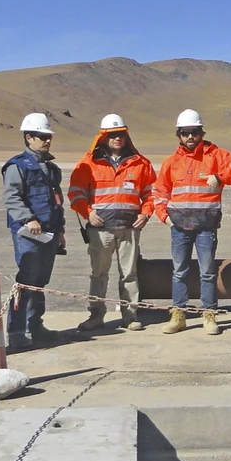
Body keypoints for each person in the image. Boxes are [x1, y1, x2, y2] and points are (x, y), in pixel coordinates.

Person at [153, 109, 231, 336]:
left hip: (206, 227)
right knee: (179, 271)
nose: (190, 137)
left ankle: (209, 314)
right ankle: (178, 315)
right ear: (179, 135)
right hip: (179, 228)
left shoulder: (216, 156)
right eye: (185, 133)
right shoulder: (171, 163)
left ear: (201, 133)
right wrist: (164, 216)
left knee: (207, 271)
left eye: (194, 132)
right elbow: (159, 191)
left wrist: (221, 176)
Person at [68, 114, 156, 332]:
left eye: (121, 135)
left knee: (129, 274)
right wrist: (88, 213)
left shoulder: (140, 163)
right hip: (101, 230)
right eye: (113, 135)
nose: (118, 139)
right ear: (103, 137)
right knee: (99, 274)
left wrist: (145, 214)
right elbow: (76, 193)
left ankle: (130, 315)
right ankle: (96, 315)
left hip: (129, 228)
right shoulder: (88, 163)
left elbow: (151, 193)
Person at [2, 112, 67, 349]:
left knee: (40, 281)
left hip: (49, 232)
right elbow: (12, 197)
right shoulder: (17, 166)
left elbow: (56, 202)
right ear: (29, 138)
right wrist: (28, 218)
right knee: (26, 281)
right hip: (27, 233)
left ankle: (35, 325)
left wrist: (60, 230)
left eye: (48, 136)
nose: (47, 140)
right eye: (41, 136)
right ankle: (17, 332)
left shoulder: (51, 169)